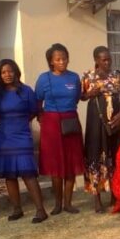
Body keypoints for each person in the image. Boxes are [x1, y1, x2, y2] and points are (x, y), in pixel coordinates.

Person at [0, 59, 48, 224]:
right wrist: (7, 125)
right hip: (4, 137)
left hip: (22, 135)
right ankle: (17, 209)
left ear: (16, 72)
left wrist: (20, 122)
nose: (7, 75)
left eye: (10, 71)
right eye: (3, 72)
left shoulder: (26, 91)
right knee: (9, 175)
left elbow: (34, 111)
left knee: (28, 173)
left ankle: (40, 210)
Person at [35, 43, 84, 215]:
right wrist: (42, 118)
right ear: (51, 61)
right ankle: (57, 204)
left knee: (71, 162)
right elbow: (38, 101)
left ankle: (68, 203)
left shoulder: (74, 77)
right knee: (55, 164)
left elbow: (76, 98)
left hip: (70, 121)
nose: (62, 61)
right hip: (51, 124)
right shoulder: (43, 79)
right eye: (58, 59)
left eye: (64, 58)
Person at [81, 46, 120, 213]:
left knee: (114, 155)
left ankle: (115, 194)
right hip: (95, 122)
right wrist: (90, 94)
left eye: (109, 59)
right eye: (103, 59)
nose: (107, 62)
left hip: (113, 122)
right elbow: (81, 97)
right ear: (96, 60)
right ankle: (97, 198)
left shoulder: (116, 75)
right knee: (95, 154)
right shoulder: (88, 76)